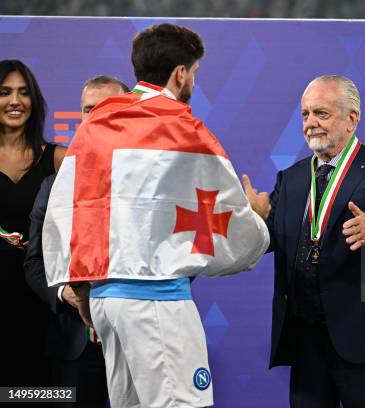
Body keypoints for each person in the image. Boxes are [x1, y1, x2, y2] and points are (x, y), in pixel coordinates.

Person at [42, 24, 269, 408]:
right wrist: (256, 216)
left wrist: (82, 290)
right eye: (195, 72)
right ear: (180, 73)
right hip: (155, 301)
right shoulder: (184, 129)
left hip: (104, 301)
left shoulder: (95, 128)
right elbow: (229, 222)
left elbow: (69, 211)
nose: (194, 80)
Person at [244, 75, 365, 407]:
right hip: (306, 342)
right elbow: (267, 240)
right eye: (306, 115)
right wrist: (254, 219)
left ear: (352, 119)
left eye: (321, 114)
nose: (311, 124)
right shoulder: (291, 178)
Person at [24, 75, 129, 407]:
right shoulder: (55, 185)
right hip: (72, 349)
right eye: (88, 110)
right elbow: (35, 261)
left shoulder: (156, 181)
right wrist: (63, 292)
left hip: (138, 341)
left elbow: (181, 255)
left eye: (107, 109)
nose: (96, 117)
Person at [0, 59, 67, 386]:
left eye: (23, 93)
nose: (15, 101)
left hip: (42, 306)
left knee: (40, 394)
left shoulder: (59, 158)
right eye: (4, 92)